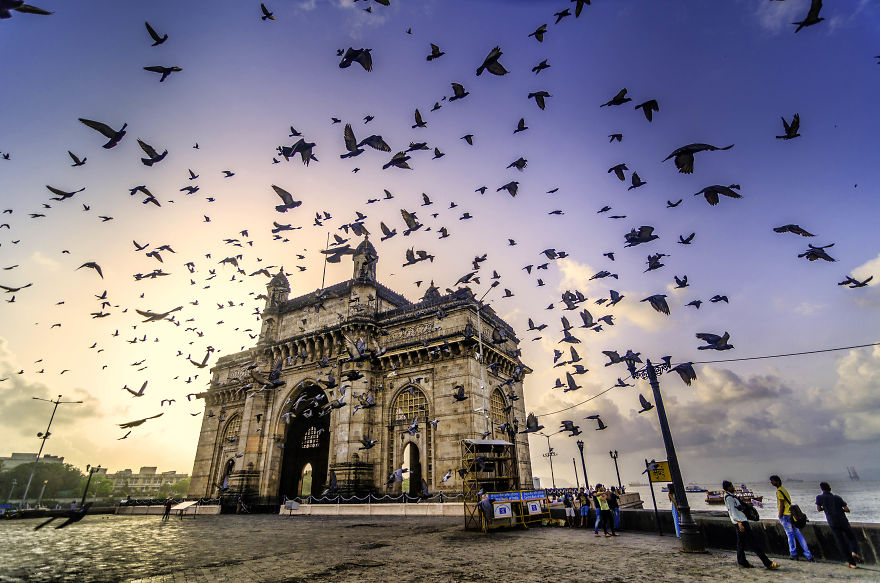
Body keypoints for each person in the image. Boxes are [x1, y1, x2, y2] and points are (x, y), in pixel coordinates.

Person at [723, 480, 779, 570]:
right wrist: (739, 523)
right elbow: (732, 512)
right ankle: (767, 563)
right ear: (728, 487)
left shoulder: (731, 496)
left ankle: (742, 562)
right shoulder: (729, 498)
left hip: (741, 521)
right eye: (731, 486)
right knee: (753, 543)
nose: (733, 487)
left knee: (741, 544)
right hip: (741, 522)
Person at [816, 482, 862, 569]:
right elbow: (847, 509)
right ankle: (854, 552)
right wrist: (840, 509)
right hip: (843, 521)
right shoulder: (837, 498)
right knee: (852, 537)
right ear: (830, 488)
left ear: (822, 489)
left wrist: (825, 508)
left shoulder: (819, 498)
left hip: (833, 523)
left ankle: (852, 563)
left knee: (841, 543)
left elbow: (818, 509)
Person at [770, 475, 813, 561]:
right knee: (798, 533)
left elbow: (781, 504)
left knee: (790, 534)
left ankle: (793, 553)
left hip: (785, 515)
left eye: (772, 481)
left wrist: (779, 515)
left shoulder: (779, 491)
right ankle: (808, 554)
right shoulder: (784, 489)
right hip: (791, 514)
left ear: (777, 481)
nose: (771, 482)